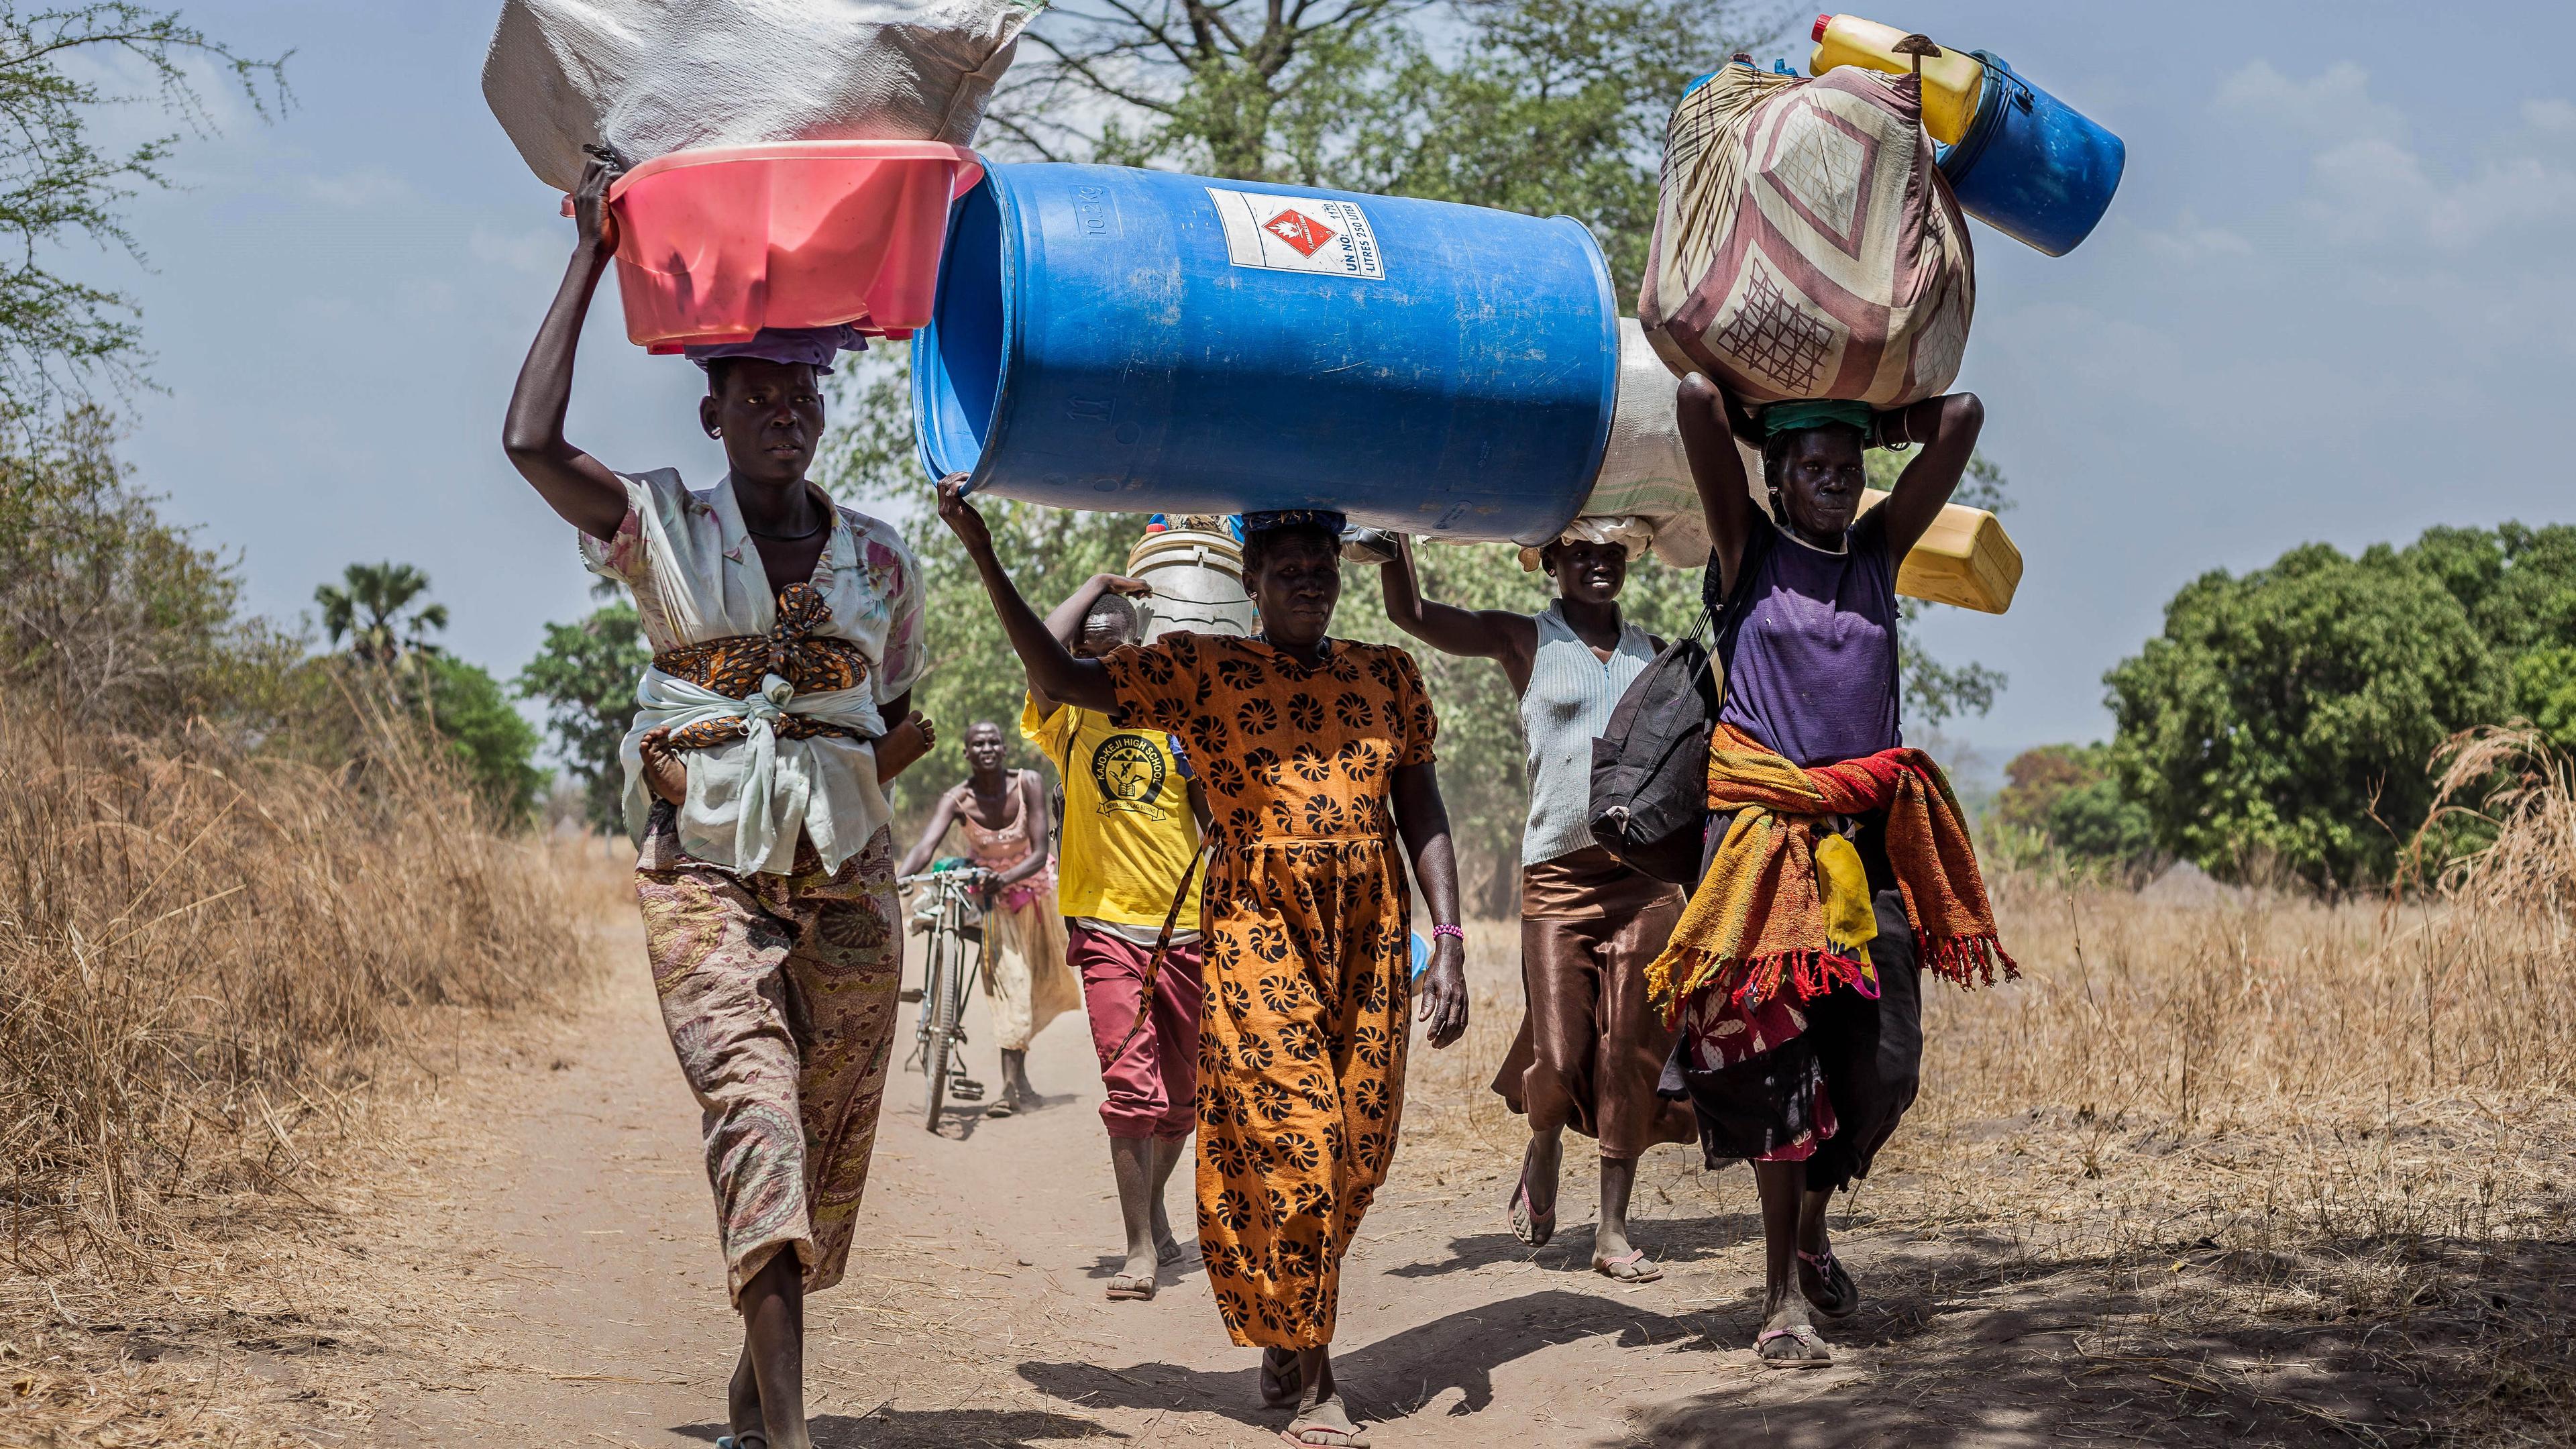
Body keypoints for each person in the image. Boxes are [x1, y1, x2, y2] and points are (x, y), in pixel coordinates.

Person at [500, 156, 933, 1449]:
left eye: (804, 389)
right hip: (704, 872)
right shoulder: (661, 529)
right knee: (753, 1111)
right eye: (757, 390)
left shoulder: (880, 561)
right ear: (714, 411)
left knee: (830, 1121)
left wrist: (837, 778)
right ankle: (789, 1435)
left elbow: (896, 717)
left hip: (848, 877)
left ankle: (760, 1374)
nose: (785, 412)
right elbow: (527, 444)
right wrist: (589, 252)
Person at [939, 480, 1468, 1449]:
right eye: (1289, 570)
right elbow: (1060, 680)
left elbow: (1422, 810)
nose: (1310, 582)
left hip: (1372, 939)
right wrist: (982, 552)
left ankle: (1287, 1312)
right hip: (1258, 931)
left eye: (1322, 568)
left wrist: (1455, 942)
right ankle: (1317, 1382)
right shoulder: (1202, 672)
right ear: (1253, 585)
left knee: (1356, 1155)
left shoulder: (1387, 674)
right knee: (1299, 1144)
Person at [1657, 377, 2015, 1369]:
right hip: (1762, 850)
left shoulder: (1878, 555)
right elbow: (1692, 398)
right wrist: (1756, 417)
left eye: (1844, 470)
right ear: (1774, 485)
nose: (1830, 483)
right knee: (1778, 1072)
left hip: (1862, 854)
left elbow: (1963, 416)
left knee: (1885, 1068)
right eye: (1809, 470)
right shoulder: (1749, 557)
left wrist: (1877, 424)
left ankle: (1813, 1221)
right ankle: (1779, 1305)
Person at [1377, 521, 1697, 1283]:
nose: (1598, 565)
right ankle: (1544, 1139)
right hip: (1556, 881)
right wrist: (1395, 541)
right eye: (1581, 552)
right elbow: (1413, 618)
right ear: (1550, 561)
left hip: (1646, 885)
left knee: (1632, 1056)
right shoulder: (1524, 641)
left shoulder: (1657, 657)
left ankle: (1613, 1231)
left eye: (1612, 553)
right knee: (1557, 1056)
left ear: (1630, 562)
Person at [1022, 577, 1215, 1302]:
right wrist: (1099, 586)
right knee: (1133, 1092)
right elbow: (1038, 651)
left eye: (1121, 655)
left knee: (1183, 1100)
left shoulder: (1177, 724)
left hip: (1189, 927)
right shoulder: (1069, 719)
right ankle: (1139, 1248)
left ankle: (1155, 1204)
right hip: (1105, 926)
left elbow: (1213, 822)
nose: (1109, 671)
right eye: (1092, 656)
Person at [895, 720, 1081, 1116]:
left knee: (1039, 986)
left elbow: (1036, 851)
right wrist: (899, 879)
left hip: (1035, 894)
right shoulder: (958, 798)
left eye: (993, 741)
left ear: (1004, 749)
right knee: (1012, 984)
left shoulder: (1027, 783)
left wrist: (1005, 878)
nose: (986, 748)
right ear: (966, 753)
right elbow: (926, 846)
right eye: (977, 743)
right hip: (994, 904)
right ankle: (1010, 1090)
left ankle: (1022, 1078)